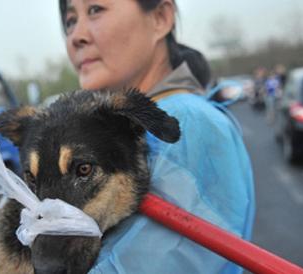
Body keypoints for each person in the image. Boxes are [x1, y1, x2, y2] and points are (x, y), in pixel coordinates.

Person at [58, 0, 255, 273]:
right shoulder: (137, 124)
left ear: (160, 17)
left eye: (95, 10)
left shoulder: (183, 124)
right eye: (70, 21)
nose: (76, 37)